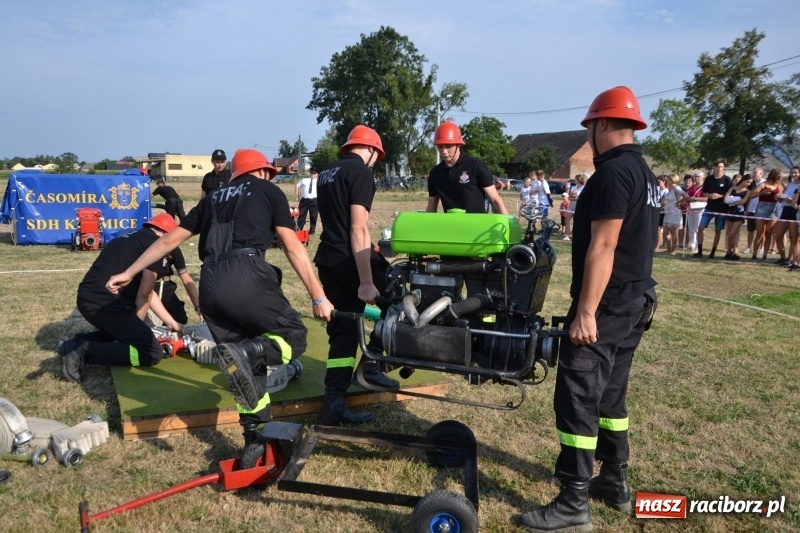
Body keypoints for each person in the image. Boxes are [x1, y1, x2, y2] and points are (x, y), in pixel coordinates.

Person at [107, 148, 333, 446]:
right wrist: (318, 297)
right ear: (263, 171)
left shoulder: (213, 198)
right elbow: (292, 246)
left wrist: (131, 271)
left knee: (246, 371)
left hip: (211, 285)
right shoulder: (268, 190)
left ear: (236, 172)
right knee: (293, 337)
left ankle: (255, 438)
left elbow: (169, 239)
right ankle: (251, 352)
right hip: (247, 273)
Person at [518, 86, 658, 532]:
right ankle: (614, 481)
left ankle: (572, 503)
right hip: (637, 299)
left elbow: (605, 243)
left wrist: (585, 311)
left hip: (609, 305)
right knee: (611, 395)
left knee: (577, 394)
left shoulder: (612, 175)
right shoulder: (646, 174)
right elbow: (647, 241)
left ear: (599, 125)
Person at [314, 125, 399, 426]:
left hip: (328, 260)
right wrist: (366, 280)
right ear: (373, 151)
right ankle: (372, 365)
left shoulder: (327, 173)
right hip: (351, 261)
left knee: (346, 328)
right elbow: (358, 228)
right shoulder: (361, 173)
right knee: (398, 306)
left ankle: (334, 401)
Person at [57, 213, 184, 383]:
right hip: (106, 304)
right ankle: (81, 351)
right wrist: (138, 326)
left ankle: (76, 342)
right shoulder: (155, 246)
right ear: (168, 235)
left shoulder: (130, 238)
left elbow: (149, 292)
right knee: (151, 353)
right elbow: (144, 293)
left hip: (89, 299)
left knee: (121, 334)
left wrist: (172, 323)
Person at [425, 121, 508, 215]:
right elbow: (431, 208)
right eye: (440, 147)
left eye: (448, 146)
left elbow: (495, 200)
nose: (444, 151)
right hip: (451, 227)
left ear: (458, 145)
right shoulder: (435, 173)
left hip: (478, 227)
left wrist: (508, 225)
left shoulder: (476, 166)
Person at [149, 244, 201, 325]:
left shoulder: (172, 246)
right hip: (146, 286)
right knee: (151, 322)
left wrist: (198, 306)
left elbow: (185, 277)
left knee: (180, 318)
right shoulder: (144, 244)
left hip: (165, 287)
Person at [692, 159, 732, 259]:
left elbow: (729, 195)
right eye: (718, 166)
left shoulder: (727, 180)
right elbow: (704, 192)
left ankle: (712, 252)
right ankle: (699, 251)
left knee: (717, 230)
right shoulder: (709, 179)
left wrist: (720, 196)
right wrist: (709, 196)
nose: (719, 168)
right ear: (714, 167)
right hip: (709, 207)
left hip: (722, 209)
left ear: (724, 168)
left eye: (721, 166)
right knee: (700, 227)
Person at [747, 168, 782, 261]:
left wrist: (780, 197)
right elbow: (751, 195)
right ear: (775, 176)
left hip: (774, 209)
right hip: (762, 208)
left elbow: (783, 197)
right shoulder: (763, 184)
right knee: (760, 233)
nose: (780, 179)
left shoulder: (779, 185)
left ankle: (765, 255)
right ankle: (754, 254)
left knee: (769, 233)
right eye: (779, 177)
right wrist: (761, 193)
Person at [770, 166, 800, 266]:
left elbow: (795, 201)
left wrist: (789, 199)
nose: (793, 174)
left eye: (796, 172)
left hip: (794, 211)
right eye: (792, 172)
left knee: (794, 238)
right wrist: (780, 197)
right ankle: (783, 258)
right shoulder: (790, 184)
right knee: (778, 235)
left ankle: (791, 259)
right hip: (785, 210)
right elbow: (784, 197)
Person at [722, 173, 754, 260]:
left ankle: (734, 252)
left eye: (750, 183)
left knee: (733, 233)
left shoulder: (748, 191)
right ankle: (729, 252)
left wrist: (732, 201)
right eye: (747, 182)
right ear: (743, 180)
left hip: (739, 214)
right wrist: (733, 201)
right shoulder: (732, 188)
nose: (748, 184)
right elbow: (725, 200)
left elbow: (743, 202)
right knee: (730, 234)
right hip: (730, 212)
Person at [661, 173, 688, 255]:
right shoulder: (669, 189)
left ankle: (673, 250)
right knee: (665, 231)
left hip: (675, 212)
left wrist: (679, 202)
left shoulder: (677, 188)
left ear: (672, 180)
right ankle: (668, 249)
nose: (667, 181)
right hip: (667, 212)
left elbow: (686, 196)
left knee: (673, 231)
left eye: (668, 179)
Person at [743, 167, 765, 255]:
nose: (754, 174)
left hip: (762, 210)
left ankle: (762, 248)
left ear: (761, 173)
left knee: (761, 231)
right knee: (750, 230)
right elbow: (748, 197)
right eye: (753, 172)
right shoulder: (751, 184)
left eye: (756, 172)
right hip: (751, 209)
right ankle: (749, 247)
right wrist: (747, 209)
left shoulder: (765, 183)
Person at [684, 170, 706, 252]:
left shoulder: (704, 187)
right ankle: (692, 244)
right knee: (691, 228)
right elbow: (688, 197)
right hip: (691, 209)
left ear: (702, 178)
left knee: (698, 228)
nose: (696, 178)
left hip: (700, 209)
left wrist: (696, 198)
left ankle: (698, 245)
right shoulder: (692, 187)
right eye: (695, 177)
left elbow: (707, 198)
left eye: (698, 177)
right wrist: (689, 200)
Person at [295, 167, 319, 235]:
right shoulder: (304, 180)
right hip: (304, 200)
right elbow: (297, 186)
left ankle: (312, 230)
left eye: (314, 173)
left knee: (313, 216)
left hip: (314, 200)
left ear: (317, 174)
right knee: (301, 215)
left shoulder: (318, 181)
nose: (312, 174)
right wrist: (297, 196)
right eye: (311, 173)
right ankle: (299, 229)